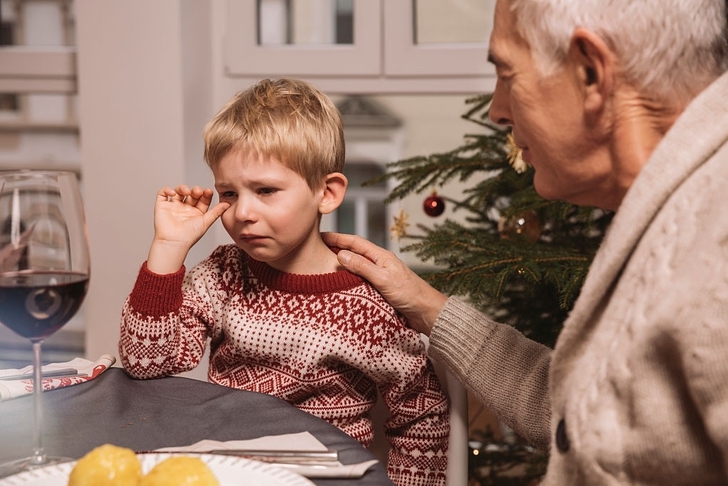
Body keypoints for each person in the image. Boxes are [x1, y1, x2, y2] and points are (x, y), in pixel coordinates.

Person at [323, 0, 728, 484]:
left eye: (507, 74)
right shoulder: (673, 209)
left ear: (590, 72)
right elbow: (582, 411)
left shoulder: (715, 249)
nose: (497, 111)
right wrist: (425, 304)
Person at [118, 78, 450, 486]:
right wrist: (168, 249)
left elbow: (421, 411)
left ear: (326, 193)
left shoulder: (367, 303)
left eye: (265, 190)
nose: (242, 213)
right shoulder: (224, 273)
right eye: (229, 193)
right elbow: (145, 362)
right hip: (229, 472)